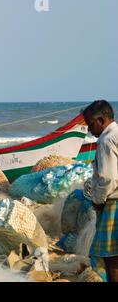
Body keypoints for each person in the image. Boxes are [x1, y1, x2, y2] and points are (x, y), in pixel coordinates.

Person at [82, 100, 118, 282]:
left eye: (90, 124)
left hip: (113, 202)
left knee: (111, 255)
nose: (89, 130)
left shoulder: (105, 140)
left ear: (101, 119)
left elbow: (108, 178)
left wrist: (97, 200)